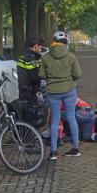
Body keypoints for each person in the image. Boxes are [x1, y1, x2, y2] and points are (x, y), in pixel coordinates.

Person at [39, 31, 82, 160]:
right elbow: (78, 74)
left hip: (53, 92)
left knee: (55, 121)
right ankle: (75, 148)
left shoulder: (45, 57)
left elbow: (41, 75)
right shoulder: (71, 56)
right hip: (69, 90)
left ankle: (53, 152)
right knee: (71, 118)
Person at [17, 37, 44, 124]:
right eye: (40, 47)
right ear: (35, 46)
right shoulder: (29, 58)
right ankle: (29, 134)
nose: (40, 49)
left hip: (26, 90)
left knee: (28, 113)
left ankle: (28, 133)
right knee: (30, 115)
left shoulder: (28, 56)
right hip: (29, 91)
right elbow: (34, 75)